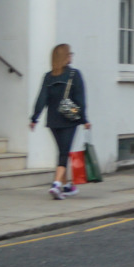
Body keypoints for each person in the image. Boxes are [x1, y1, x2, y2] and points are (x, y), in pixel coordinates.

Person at [29, 43, 91, 200]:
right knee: (64, 152)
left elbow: (41, 98)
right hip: (69, 119)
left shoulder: (48, 77)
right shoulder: (74, 74)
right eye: (70, 54)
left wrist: (34, 118)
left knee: (62, 151)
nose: (71, 56)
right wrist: (84, 119)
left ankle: (66, 187)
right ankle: (56, 184)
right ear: (65, 57)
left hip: (53, 120)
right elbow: (80, 100)